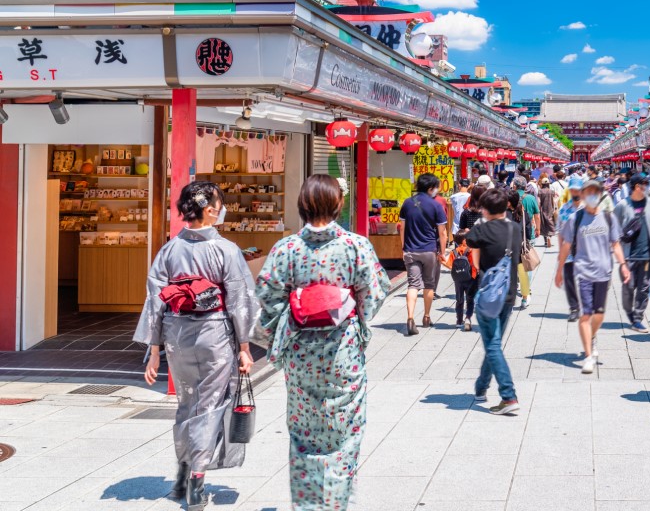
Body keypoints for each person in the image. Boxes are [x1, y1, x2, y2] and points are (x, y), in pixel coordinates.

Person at [256, 175, 386, 511]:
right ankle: (335, 504)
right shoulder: (356, 246)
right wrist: (349, 310)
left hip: (300, 356)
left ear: (302, 205)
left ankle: (308, 505)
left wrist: (290, 319)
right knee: (344, 435)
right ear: (339, 205)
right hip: (344, 355)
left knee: (303, 436)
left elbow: (267, 299)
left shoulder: (286, 249)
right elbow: (373, 297)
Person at [136, 181, 258, 510]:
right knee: (210, 406)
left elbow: (155, 300)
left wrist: (156, 349)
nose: (221, 208)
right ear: (207, 209)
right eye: (218, 203)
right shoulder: (226, 250)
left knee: (186, 403)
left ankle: (183, 469)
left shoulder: (169, 250)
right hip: (214, 333)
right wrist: (244, 345)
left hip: (176, 334)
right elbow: (239, 301)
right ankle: (197, 481)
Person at [556, 178, 630, 373]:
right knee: (586, 314)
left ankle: (592, 336)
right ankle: (588, 355)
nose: (591, 196)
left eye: (595, 193)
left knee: (599, 314)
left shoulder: (608, 218)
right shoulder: (575, 218)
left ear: (600, 195)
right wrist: (559, 269)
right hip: (583, 271)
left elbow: (615, 243)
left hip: (604, 271)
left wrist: (623, 265)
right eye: (588, 192)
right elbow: (565, 244)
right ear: (582, 194)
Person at [466, 187, 523, 414]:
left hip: (489, 294)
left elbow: (469, 240)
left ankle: (508, 396)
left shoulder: (483, 229)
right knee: (494, 343)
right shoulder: (515, 228)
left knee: (492, 344)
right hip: (508, 293)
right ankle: (481, 386)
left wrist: (481, 222)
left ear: (486, 209)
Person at [398, 173, 448, 336]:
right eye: (436, 187)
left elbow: (402, 228)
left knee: (412, 285)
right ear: (430, 188)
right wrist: (442, 251)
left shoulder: (407, 203)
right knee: (429, 284)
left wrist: (403, 247)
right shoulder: (436, 206)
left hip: (411, 250)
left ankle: (410, 318)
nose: (437, 190)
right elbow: (443, 233)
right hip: (429, 250)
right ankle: (426, 317)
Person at [613, 174, 650, 331]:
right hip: (629, 255)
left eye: (646, 184)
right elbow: (613, 228)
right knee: (628, 288)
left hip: (648, 254)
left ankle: (638, 317)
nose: (645, 187)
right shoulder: (622, 206)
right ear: (634, 187)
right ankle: (630, 313)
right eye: (643, 184)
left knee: (644, 288)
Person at [557, 177, 585, 320]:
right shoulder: (564, 208)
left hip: (585, 250)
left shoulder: (589, 208)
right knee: (569, 280)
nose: (575, 192)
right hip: (568, 250)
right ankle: (574, 307)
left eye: (577, 189)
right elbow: (560, 232)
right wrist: (559, 250)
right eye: (572, 189)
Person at [510, 179, 538, 309]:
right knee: (523, 272)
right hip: (521, 246)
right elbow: (528, 229)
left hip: (507, 247)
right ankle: (525, 298)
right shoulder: (524, 213)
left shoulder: (505, 215)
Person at [447, 232, 477, 331]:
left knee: (459, 300)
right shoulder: (470, 250)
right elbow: (474, 264)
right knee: (470, 299)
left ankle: (459, 321)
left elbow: (450, 266)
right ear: (464, 240)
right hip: (470, 279)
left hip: (458, 280)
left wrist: (442, 261)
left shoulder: (453, 252)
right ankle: (468, 317)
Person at [537, 173, 559, 248]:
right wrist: (555, 208)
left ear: (542, 184)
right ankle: (550, 236)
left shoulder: (540, 191)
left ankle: (546, 240)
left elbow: (539, 202)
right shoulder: (551, 191)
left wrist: (538, 209)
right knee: (550, 224)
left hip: (542, 210)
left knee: (543, 225)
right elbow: (555, 200)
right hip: (550, 210)